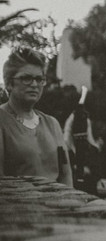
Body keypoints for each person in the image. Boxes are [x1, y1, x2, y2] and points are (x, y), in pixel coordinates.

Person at [0, 47, 71, 186]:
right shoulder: (2, 121)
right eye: (26, 78)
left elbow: (66, 174)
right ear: (9, 83)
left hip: (58, 203)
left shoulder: (52, 124)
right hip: (18, 205)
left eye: (39, 79)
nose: (34, 84)